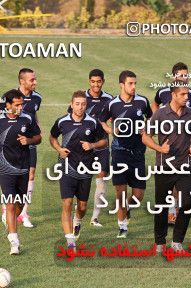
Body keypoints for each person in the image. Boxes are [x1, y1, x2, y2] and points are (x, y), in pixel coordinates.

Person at [142, 82, 191, 252]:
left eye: (187, 94)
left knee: (187, 204)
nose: (186, 97)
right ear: (173, 95)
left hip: (185, 167)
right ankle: (160, 242)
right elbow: (146, 136)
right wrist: (159, 148)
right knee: (161, 206)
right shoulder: (160, 114)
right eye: (182, 94)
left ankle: (177, 241)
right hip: (164, 167)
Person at [49, 91, 107, 249]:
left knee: (82, 207)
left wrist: (92, 145)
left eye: (83, 104)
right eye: (77, 104)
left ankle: (77, 221)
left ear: (86, 105)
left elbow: (104, 140)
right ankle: (70, 241)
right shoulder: (62, 121)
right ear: (71, 104)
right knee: (67, 202)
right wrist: (59, 149)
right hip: (66, 166)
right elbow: (52, 137)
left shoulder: (93, 122)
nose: (80, 107)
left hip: (85, 169)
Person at [0, 89, 41, 255]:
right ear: (8, 105)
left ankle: (10, 223)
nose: (20, 107)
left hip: (23, 167)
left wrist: (29, 140)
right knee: (10, 203)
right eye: (17, 104)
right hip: (5, 167)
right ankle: (14, 242)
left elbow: (38, 137)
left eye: (22, 104)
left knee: (20, 203)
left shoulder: (27, 118)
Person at [100, 70, 152, 238]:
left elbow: (151, 118)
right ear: (122, 85)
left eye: (135, 83)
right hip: (119, 152)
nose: (133, 86)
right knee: (120, 192)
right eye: (130, 83)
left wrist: (147, 130)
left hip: (138, 153)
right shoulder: (112, 104)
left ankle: (127, 208)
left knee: (138, 195)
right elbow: (101, 120)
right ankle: (122, 226)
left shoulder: (142, 101)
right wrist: (110, 130)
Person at [151, 62, 191, 226]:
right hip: (166, 149)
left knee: (182, 182)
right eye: (181, 75)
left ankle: (177, 210)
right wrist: (159, 119)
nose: (184, 78)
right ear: (174, 76)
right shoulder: (163, 93)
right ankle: (171, 211)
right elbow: (155, 104)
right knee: (169, 184)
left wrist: (190, 134)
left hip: (183, 145)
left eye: (186, 75)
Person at [0, 68, 42, 228]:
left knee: (31, 174)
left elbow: (33, 116)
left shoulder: (37, 98)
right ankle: (6, 209)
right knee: (10, 176)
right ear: (22, 81)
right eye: (32, 80)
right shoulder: (9, 97)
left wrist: (36, 132)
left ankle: (23, 213)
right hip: (10, 148)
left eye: (35, 79)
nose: (35, 82)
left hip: (28, 142)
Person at [67, 69, 113, 228]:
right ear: (89, 81)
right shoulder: (81, 99)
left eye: (98, 81)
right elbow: (71, 118)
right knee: (80, 179)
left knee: (101, 178)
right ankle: (78, 210)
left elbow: (113, 118)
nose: (96, 84)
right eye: (93, 81)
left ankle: (94, 217)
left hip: (101, 145)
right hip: (82, 148)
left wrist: (109, 127)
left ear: (103, 81)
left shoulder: (108, 99)